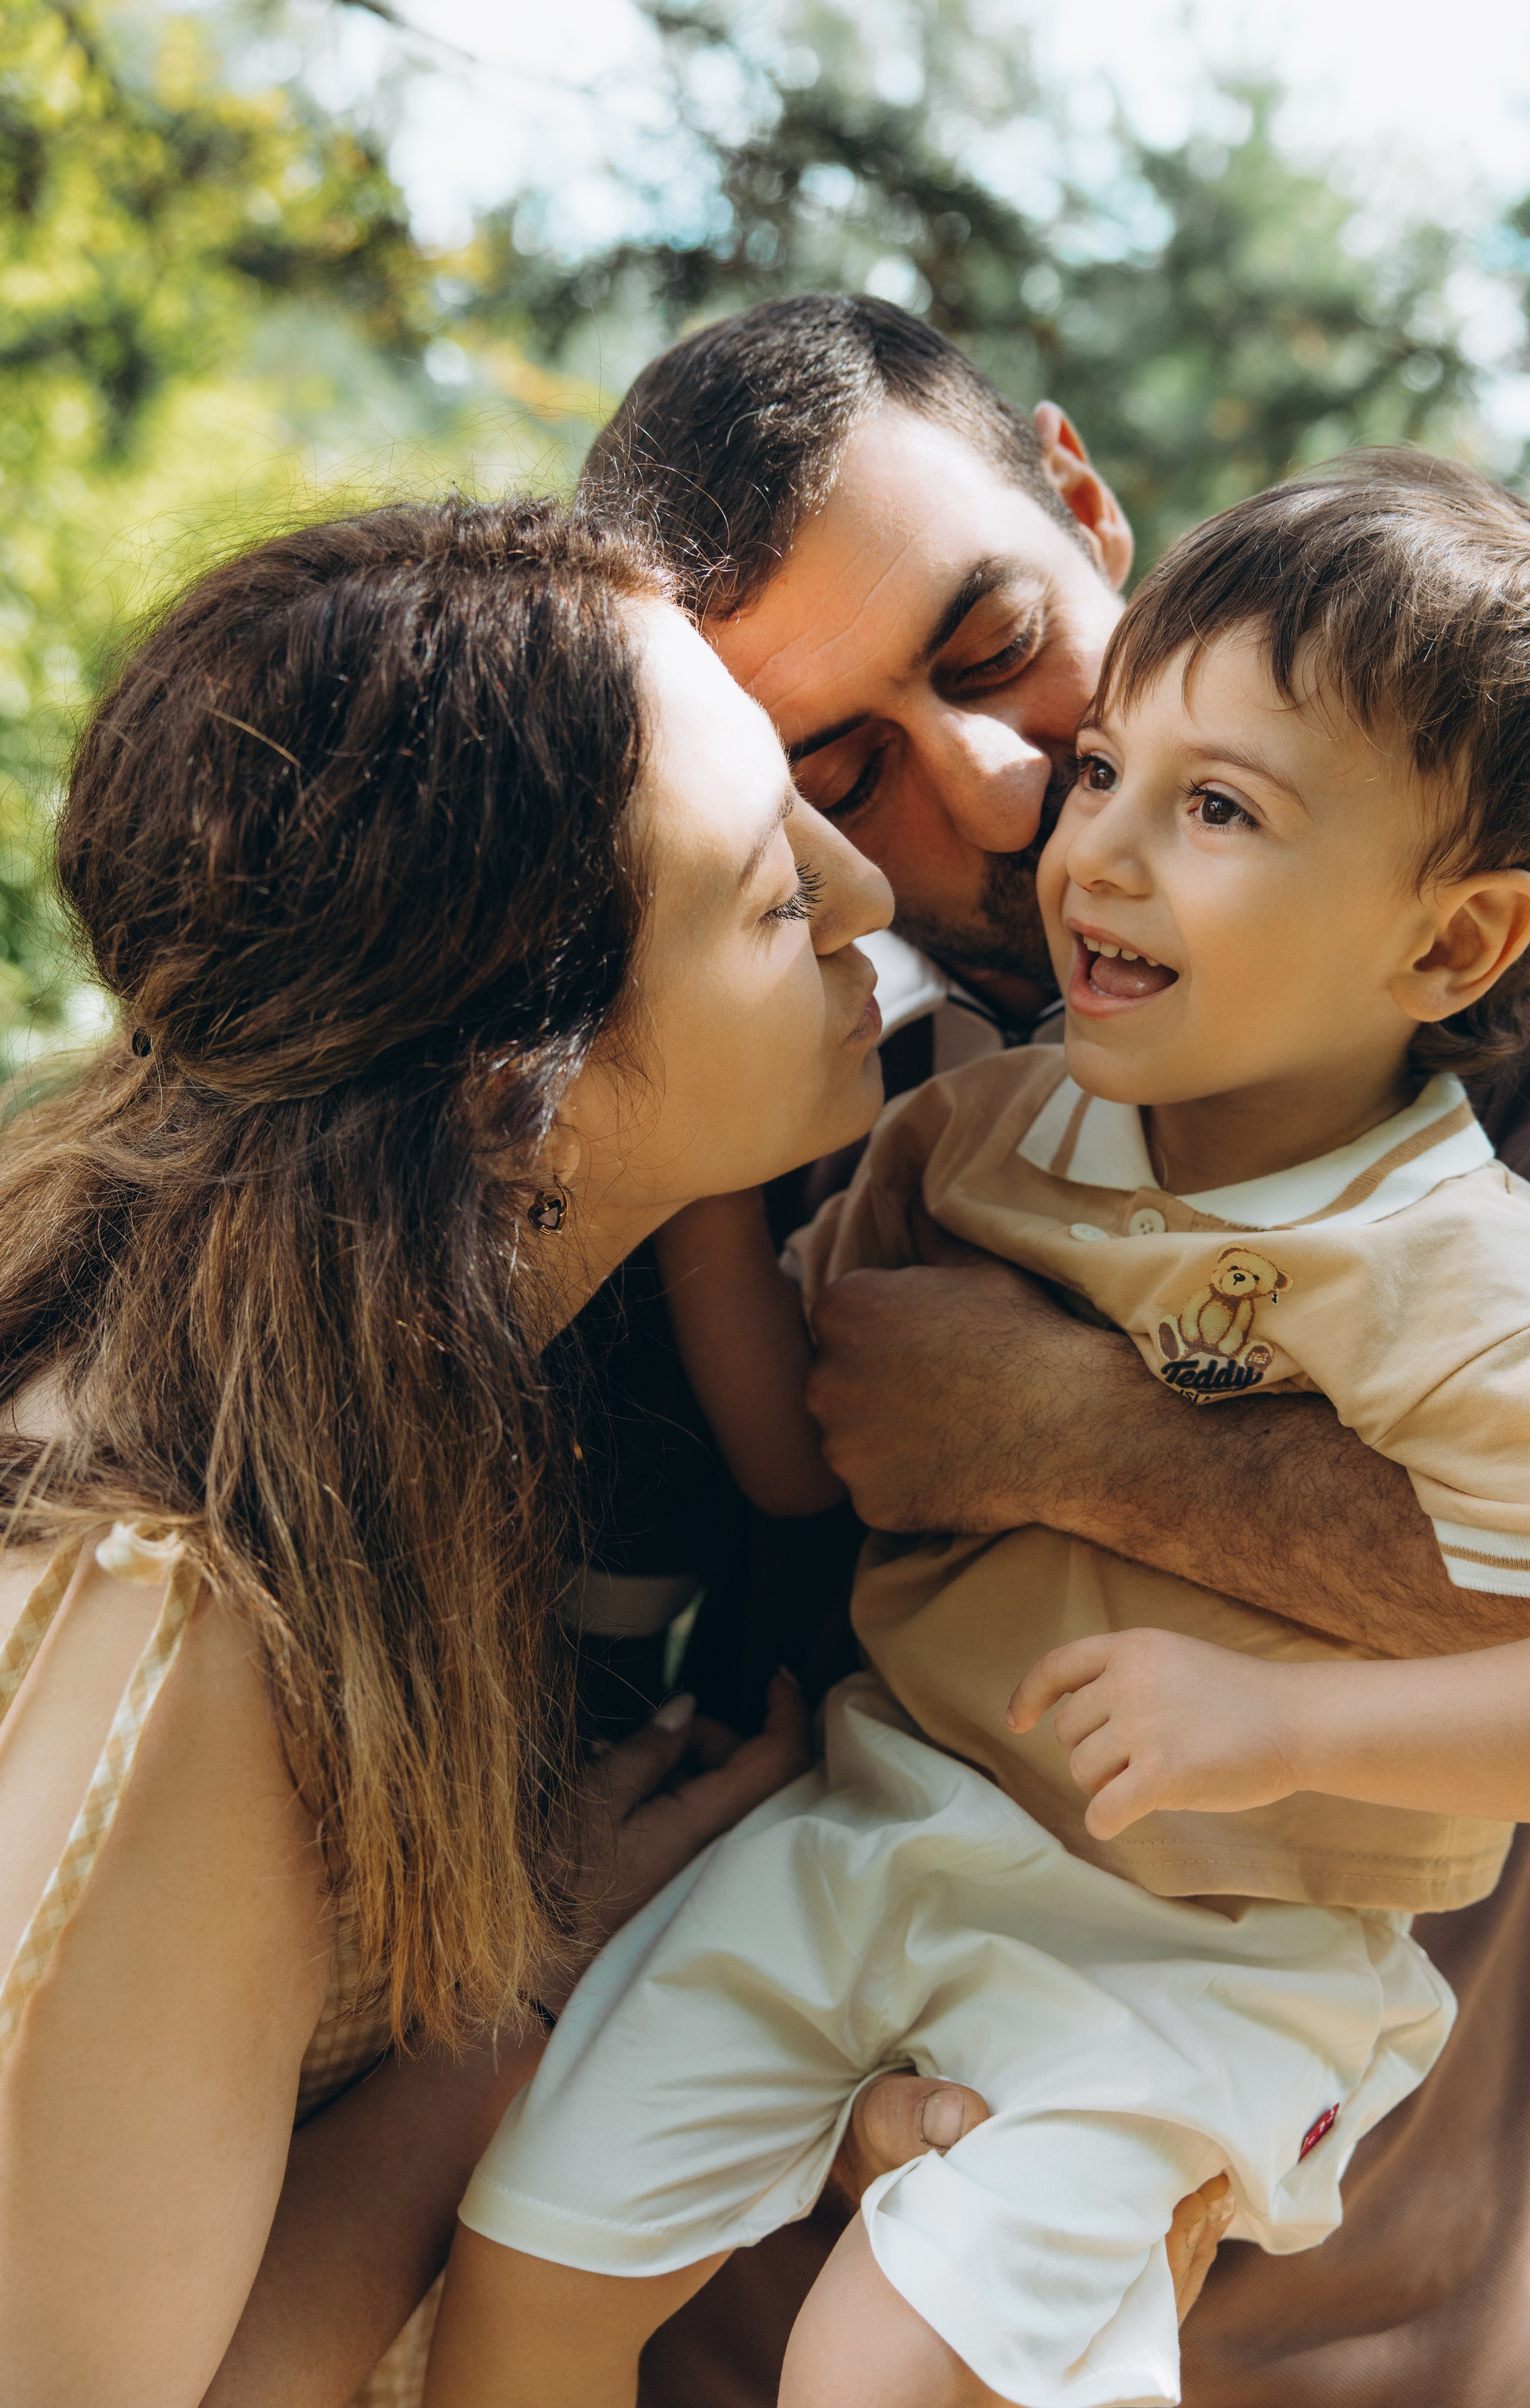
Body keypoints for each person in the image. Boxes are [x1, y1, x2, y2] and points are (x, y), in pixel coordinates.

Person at [421, 453, 1530, 2408]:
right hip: (880, 1827)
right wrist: (700, 1168)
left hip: (1210, 1950)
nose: (1088, 854)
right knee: (531, 2252)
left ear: (1455, 947)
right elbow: (813, 1447)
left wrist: (1288, 1722)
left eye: (1215, 810)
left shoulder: (1462, 1272)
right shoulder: (981, 1130)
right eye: (1114, 773)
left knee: (883, 2371)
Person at [0, 492, 988, 2408]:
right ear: (510, 1086)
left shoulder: (344, 1419)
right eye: (771, 894)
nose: (863, 894)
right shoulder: (164, 1626)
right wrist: (515, 2009)